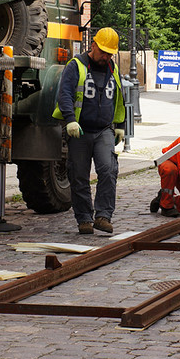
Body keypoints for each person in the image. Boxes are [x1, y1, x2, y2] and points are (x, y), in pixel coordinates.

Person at [52, 27, 125, 234]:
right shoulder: (76, 66)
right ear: (93, 45)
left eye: (110, 53)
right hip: (80, 130)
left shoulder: (113, 68)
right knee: (79, 175)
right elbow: (65, 94)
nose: (106, 56)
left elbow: (119, 97)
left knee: (109, 170)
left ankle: (103, 216)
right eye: (103, 51)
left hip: (104, 130)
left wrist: (120, 125)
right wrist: (70, 120)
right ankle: (84, 218)